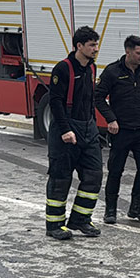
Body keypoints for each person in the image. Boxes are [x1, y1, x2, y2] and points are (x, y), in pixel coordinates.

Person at [94, 35, 140, 224]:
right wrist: (110, 119)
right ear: (128, 52)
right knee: (116, 170)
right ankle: (110, 209)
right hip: (121, 130)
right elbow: (98, 97)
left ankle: (136, 208)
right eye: (139, 53)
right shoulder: (112, 72)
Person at [44, 26, 103, 241]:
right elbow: (56, 102)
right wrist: (66, 130)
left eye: (96, 45)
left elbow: (89, 102)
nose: (96, 49)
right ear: (79, 46)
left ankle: (80, 219)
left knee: (94, 175)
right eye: (91, 45)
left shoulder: (92, 68)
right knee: (61, 178)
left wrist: (95, 128)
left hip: (88, 130)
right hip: (65, 131)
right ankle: (54, 224)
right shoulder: (63, 69)